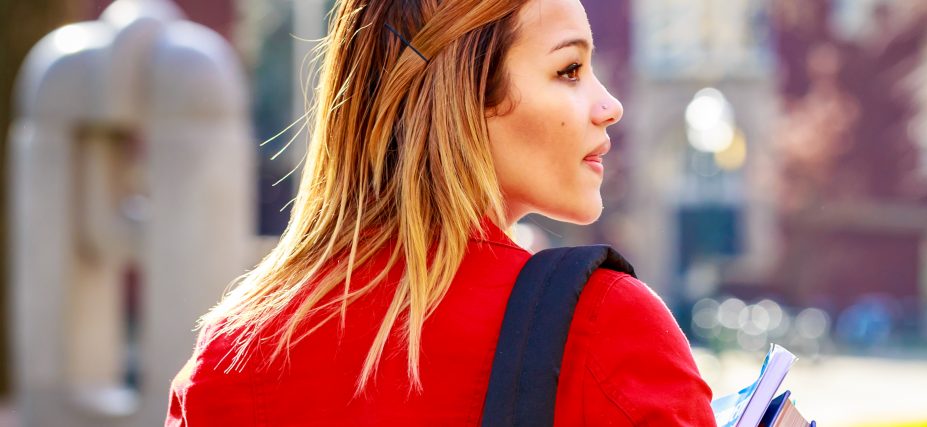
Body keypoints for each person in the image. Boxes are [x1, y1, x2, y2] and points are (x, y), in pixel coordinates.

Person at [164, 0, 717, 425]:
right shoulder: (605, 327)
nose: (609, 106)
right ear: (466, 93)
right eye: (569, 69)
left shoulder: (228, 355)